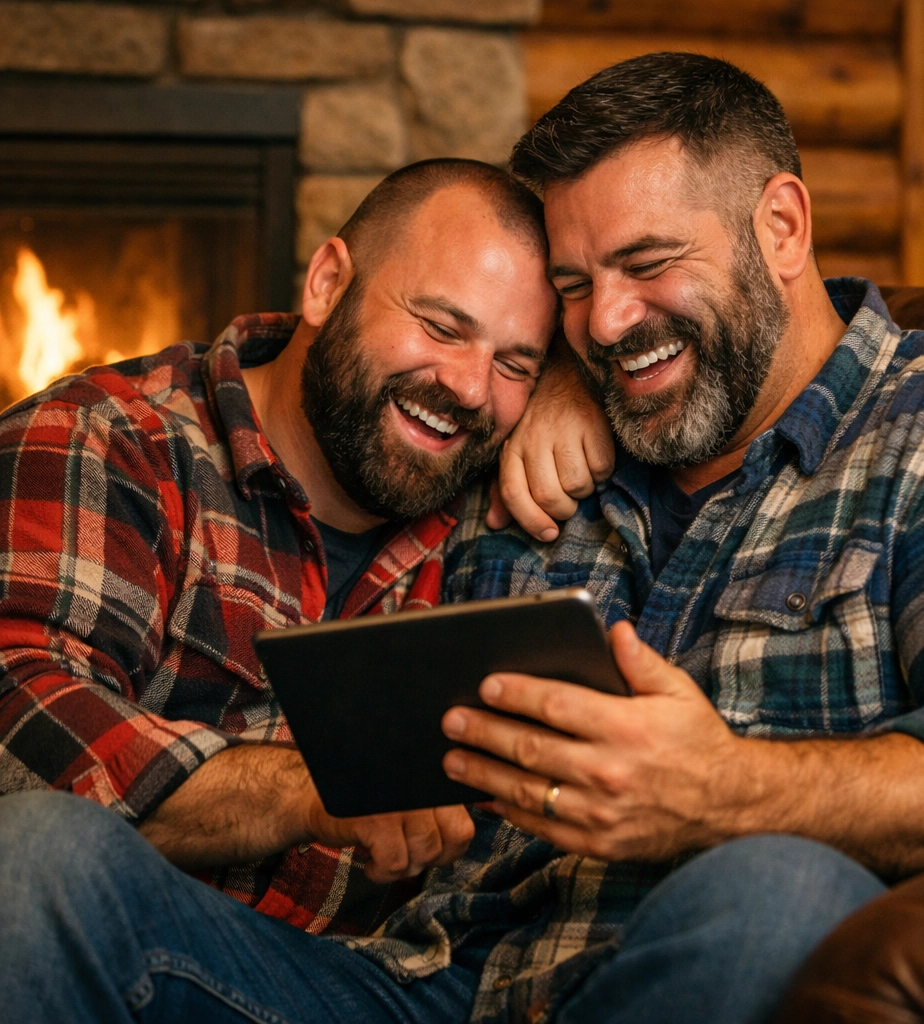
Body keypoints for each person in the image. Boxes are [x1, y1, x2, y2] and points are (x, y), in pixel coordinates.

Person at [432, 51, 924, 1021]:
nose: (606, 320)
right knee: (83, 861)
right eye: (573, 284)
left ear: (781, 227)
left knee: (781, 890)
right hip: (430, 972)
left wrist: (729, 789)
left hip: (698, 964)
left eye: (648, 263)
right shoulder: (554, 431)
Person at [0, 157, 560, 1007]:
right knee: (40, 857)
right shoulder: (102, 441)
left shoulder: (511, 503)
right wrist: (313, 786)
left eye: (516, 363)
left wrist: (573, 402)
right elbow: (18, 722)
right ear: (328, 282)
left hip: (384, 988)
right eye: (442, 327)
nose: (470, 387)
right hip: (151, 962)